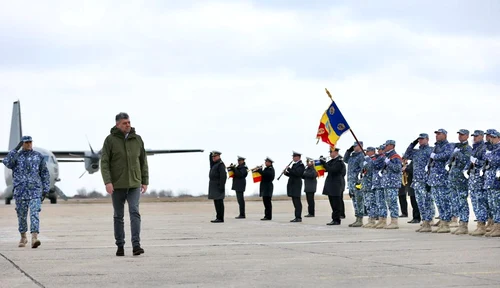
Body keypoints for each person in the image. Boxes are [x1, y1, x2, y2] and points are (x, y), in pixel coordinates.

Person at [100, 112, 148, 256]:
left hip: (134, 183)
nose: (128, 125)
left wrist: (144, 181)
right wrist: (108, 182)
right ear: (117, 124)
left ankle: (136, 245)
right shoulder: (110, 140)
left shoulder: (137, 139)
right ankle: (120, 245)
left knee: (134, 212)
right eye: (124, 123)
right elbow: (104, 163)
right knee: (118, 216)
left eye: (128, 122)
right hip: (117, 185)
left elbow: (143, 161)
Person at [2, 136, 50, 248]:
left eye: (30, 142)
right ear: (22, 144)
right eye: (26, 143)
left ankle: (34, 238)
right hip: (20, 191)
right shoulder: (16, 157)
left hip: (35, 191)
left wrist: (45, 189)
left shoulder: (38, 156)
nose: (29, 144)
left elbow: (44, 173)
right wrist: (15, 149)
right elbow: (6, 162)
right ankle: (23, 237)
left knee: (34, 214)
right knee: (21, 215)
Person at [426, 128, 454, 233]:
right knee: (438, 202)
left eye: (439, 134)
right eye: (436, 134)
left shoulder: (448, 146)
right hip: (434, 179)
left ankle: (446, 223)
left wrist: (435, 156)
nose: (437, 136)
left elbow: (447, 155)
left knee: (444, 201)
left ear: (445, 135)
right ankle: (442, 221)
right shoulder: (436, 146)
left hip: (442, 178)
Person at [447, 129, 472, 235]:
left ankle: (464, 224)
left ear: (467, 136)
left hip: (461, 180)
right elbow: (450, 161)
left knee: (462, 202)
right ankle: (456, 220)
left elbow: (467, 160)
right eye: (459, 135)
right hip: (453, 179)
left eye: (462, 135)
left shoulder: (468, 148)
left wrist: (458, 154)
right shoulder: (456, 147)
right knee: (455, 201)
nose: (460, 136)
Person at [466, 130, 488, 236]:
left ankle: (482, 225)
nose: (474, 138)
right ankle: (480, 225)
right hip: (473, 181)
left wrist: (476, 161)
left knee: (480, 203)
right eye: (474, 136)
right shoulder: (474, 148)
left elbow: (486, 162)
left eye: (476, 136)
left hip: (479, 181)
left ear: (482, 137)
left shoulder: (484, 148)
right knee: (475, 203)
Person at [380, 140, 403, 229]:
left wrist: (389, 162)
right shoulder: (387, 156)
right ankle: (391, 221)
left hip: (392, 183)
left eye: (387, 145)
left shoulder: (395, 156)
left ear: (392, 146)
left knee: (392, 202)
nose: (385, 147)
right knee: (389, 202)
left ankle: (394, 221)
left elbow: (397, 168)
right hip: (387, 183)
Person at [320, 147, 346, 225]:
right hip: (331, 185)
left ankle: (336, 220)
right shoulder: (332, 161)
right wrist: (321, 163)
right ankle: (334, 219)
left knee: (336, 203)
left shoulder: (339, 162)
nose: (330, 154)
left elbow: (332, 170)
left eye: (331, 152)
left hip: (336, 185)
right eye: (330, 152)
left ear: (336, 152)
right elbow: (326, 169)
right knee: (332, 203)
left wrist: (324, 163)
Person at [343, 141, 365, 227]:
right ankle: (357, 218)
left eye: (356, 146)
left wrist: (359, 181)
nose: (354, 147)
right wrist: (348, 151)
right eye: (354, 146)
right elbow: (345, 160)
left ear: (360, 146)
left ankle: (360, 219)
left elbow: (362, 169)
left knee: (359, 200)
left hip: (357, 182)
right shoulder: (352, 156)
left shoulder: (361, 156)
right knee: (354, 201)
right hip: (351, 182)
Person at [284, 151, 305, 222]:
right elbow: (292, 174)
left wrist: (289, 169)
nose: (293, 158)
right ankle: (296, 216)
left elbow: (298, 173)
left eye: (294, 156)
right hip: (292, 184)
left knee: (297, 201)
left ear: (298, 157)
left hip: (297, 184)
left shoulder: (301, 165)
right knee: (294, 201)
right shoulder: (294, 165)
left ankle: (298, 217)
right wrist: (286, 173)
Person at [208, 150, 227, 223]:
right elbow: (210, 163)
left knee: (219, 202)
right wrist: (210, 156)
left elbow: (223, 176)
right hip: (214, 186)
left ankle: (220, 218)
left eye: (215, 156)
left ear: (219, 156)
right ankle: (218, 217)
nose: (213, 158)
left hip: (218, 185)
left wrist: (222, 186)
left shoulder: (220, 165)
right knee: (216, 202)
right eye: (213, 157)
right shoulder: (215, 164)